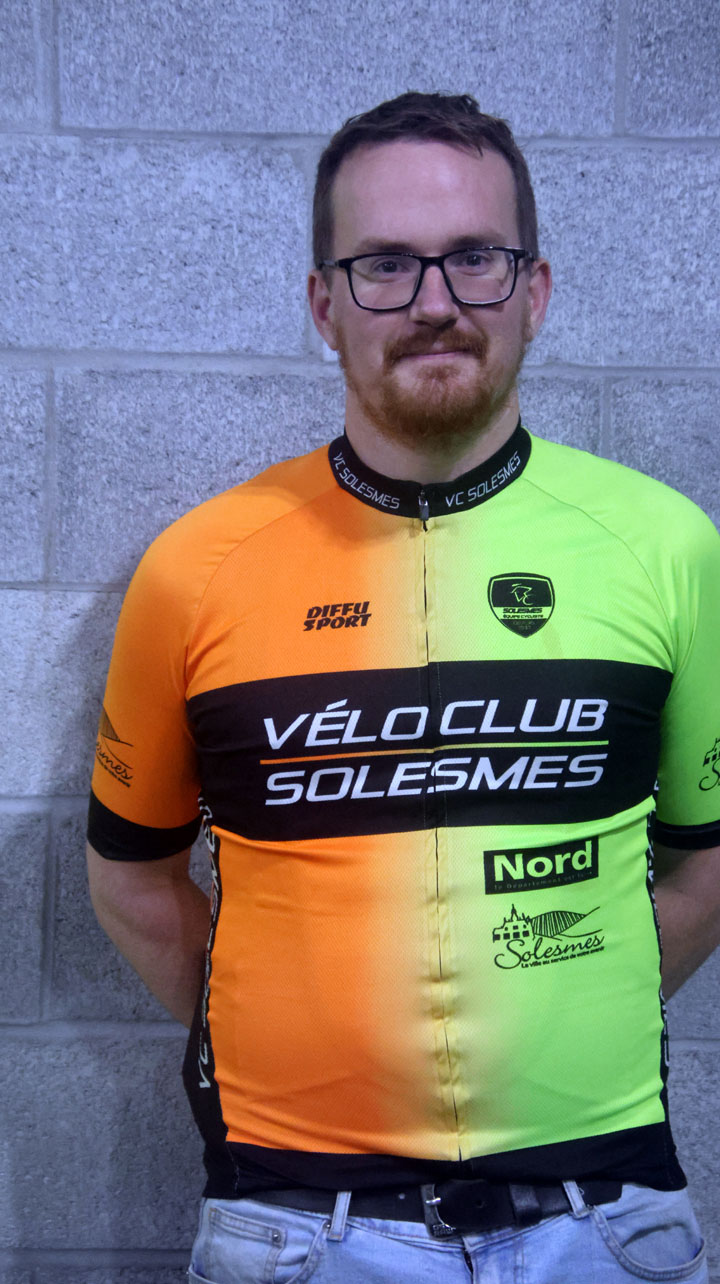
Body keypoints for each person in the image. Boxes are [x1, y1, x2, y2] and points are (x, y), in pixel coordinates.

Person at [87, 92, 720, 1282]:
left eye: (476, 257)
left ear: (535, 290)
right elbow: (130, 876)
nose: (435, 302)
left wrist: (567, 1007)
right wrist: (286, 1032)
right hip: (293, 1226)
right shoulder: (197, 567)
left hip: (607, 1219)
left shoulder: (667, 546)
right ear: (323, 303)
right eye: (384, 264)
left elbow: (707, 862)